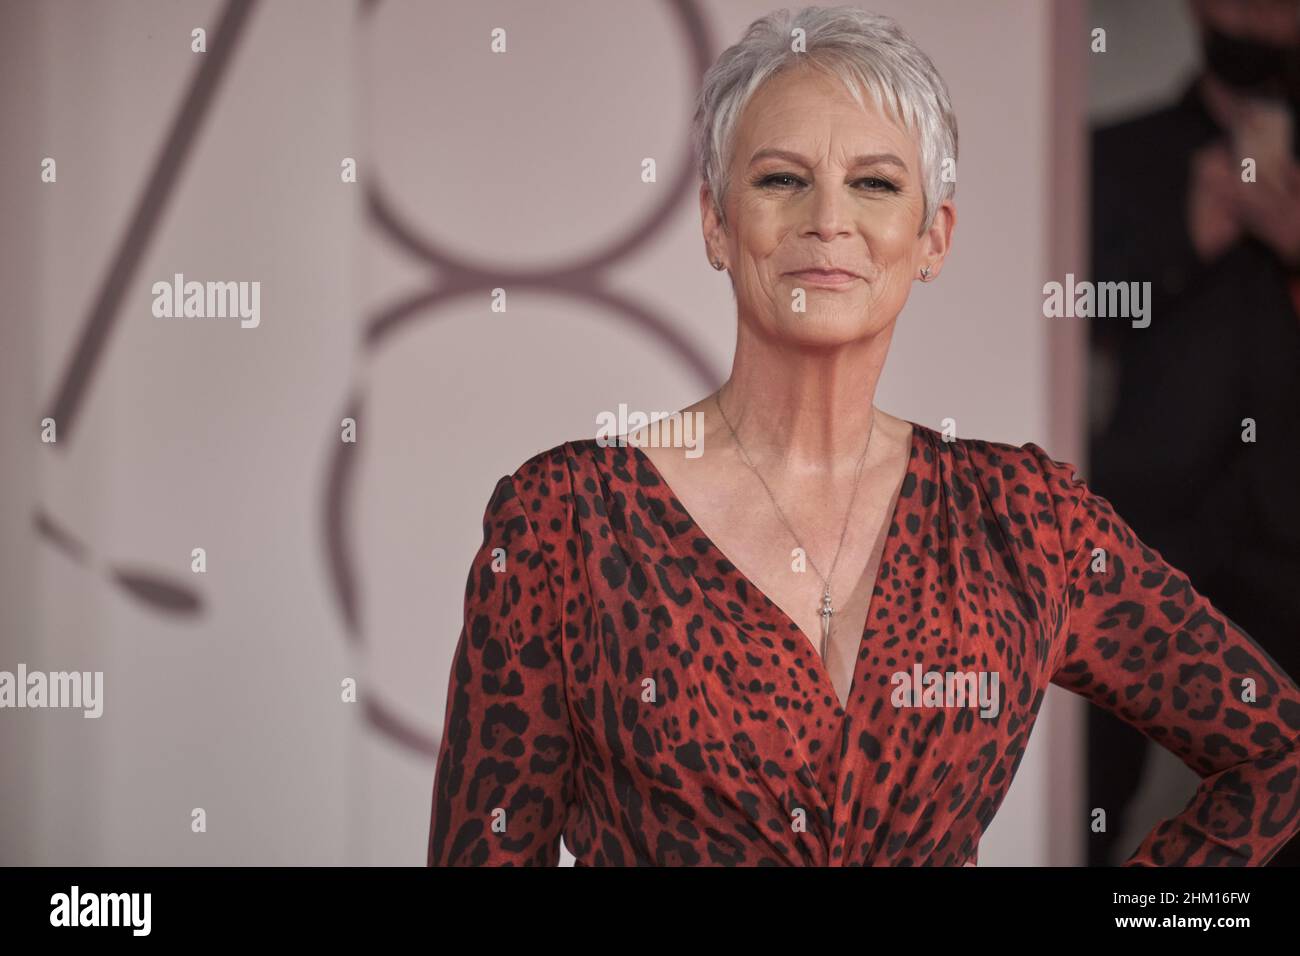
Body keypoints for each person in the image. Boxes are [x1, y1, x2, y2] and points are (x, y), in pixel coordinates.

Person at [427, 5, 1300, 866]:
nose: (828, 220)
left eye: (876, 183)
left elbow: (1277, 751)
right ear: (715, 224)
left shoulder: (1029, 521)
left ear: (932, 238)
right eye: (780, 179)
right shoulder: (561, 525)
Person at [1088, 0, 1300, 866]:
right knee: (1089, 782)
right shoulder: (1118, 153)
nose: (1256, 16)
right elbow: (1067, 312)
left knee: (1284, 785)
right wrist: (1187, 236)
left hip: (1290, 532)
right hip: (1143, 523)